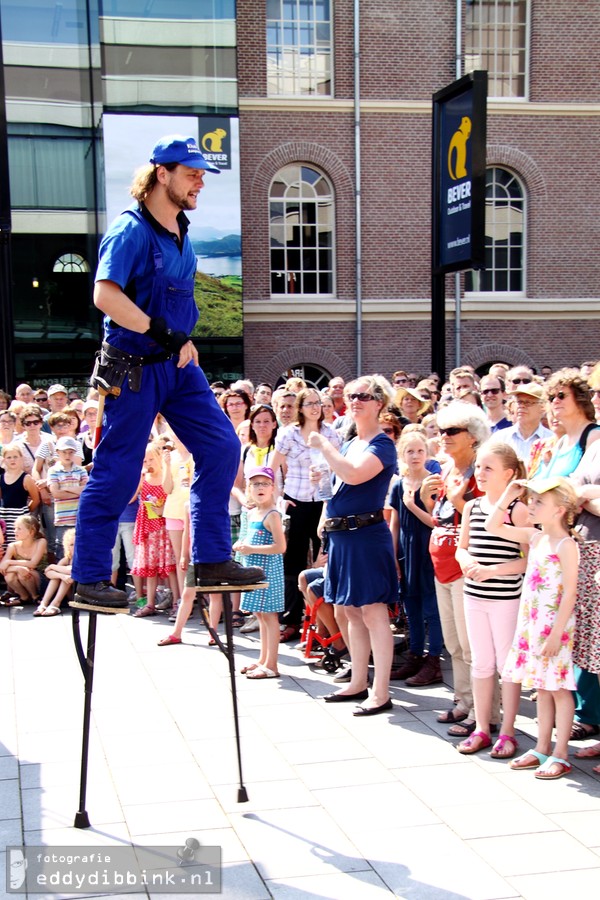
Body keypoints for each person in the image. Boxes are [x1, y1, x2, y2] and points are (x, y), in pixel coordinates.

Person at [71, 135, 263, 608]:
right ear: (162, 173)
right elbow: (106, 297)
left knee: (221, 447)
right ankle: (90, 577)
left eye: (201, 173)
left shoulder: (181, 228)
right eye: (192, 172)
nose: (201, 180)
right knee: (117, 472)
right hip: (134, 367)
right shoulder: (130, 229)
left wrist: (184, 336)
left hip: (177, 363)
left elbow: (177, 298)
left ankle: (213, 558)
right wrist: (164, 332)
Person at [309, 375, 398, 716]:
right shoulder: (350, 443)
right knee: (350, 611)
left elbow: (354, 475)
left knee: (373, 612)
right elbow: (339, 483)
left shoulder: (382, 445)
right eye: (351, 396)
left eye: (364, 395)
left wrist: (323, 446)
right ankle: (359, 680)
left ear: (379, 403)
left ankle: (381, 690)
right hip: (343, 535)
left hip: (365, 536)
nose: (355, 400)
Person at [486, 476, 580, 780]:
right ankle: (542, 747)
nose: (531, 505)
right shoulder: (536, 537)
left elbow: (570, 592)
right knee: (542, 686)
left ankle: (561, 753)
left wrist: (556, 633)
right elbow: (493, 527)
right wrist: (508, 495)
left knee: (559, 688)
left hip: (555, 627)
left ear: (559, 510)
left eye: (539, 502)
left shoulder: (566, 545)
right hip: (533, 625)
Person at [420, 402, 494, 737]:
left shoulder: (481, 471)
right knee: (454, 643)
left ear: (473, 437)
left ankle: (485, 712)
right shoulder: (449, 469)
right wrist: (425, 499)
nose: (444, 436)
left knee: (472, 644)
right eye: (441, 430)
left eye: (452, 431)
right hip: (442, 567)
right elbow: (442, 518)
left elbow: (486, 521)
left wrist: (460, 500)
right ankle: (464, 701)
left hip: (468, 568)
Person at [455, 442, 529, 757]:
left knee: (507, 666)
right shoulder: (471, 506)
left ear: (509, 474)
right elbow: (461, 546)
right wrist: (466, 562)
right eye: (479, 467)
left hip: (505, 599)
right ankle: (483, 728)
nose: (481, 474)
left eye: (489, 468)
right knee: (481, 663)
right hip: (474, 595)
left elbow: (530, 559)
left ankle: (508, 732)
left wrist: (493, 570)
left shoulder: (518, 510)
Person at [271, 387, 340, 642]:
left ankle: (323, 623)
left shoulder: (330, 434)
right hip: (295, 501)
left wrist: (327, 478)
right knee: (293, 559)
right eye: (309, 403)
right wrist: (279, 499)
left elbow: (339, 469)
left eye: (318, 403)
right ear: (300, 407)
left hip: (322, 503)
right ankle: (291, 619)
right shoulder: (289, 434)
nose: (314, 407)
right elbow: (273, 467)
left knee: (323, 558)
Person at [389, 431, 443, 685]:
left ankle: (434, 660)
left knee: (432, 609)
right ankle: (415, 656)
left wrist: (412, 505)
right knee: (412, 609)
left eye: (420, 450)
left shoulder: (433, 482)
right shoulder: (399, 484)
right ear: (402, 454)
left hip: (428, 549)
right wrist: (392, 555)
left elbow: (436, 523)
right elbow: (395, 523)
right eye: (410, 451)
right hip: (406, 552)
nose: (415, 456)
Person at [234, 466, 286, 679]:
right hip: (253, 572)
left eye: (264, 483)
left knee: (269, 616)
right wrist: (240, 546)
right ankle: (263, 659)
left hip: (268, 573)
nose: (260, 487)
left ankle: (272, 665)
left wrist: (251, 549)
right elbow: (244, 538)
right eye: (255, 484)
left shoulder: (273, 514)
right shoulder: (251, 513)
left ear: (273, 487)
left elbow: (280, 547)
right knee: (260, 615)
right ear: (249, 488)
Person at [131, 442, 178, 617]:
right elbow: (132, 497)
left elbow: (171, 495)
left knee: (169, 567)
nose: (148, 463)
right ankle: (150, 603)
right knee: (149, 567)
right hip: (147, 526)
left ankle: (176, 601)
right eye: (145, 460)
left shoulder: (166, 475)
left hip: (164, 527)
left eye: (151, 459)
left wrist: (162, 509)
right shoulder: (144, 478)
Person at [0, 514, 47, 607]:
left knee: (23, 573)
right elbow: (2, 567)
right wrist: (17, 568)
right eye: (15, 528)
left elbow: (33, 564)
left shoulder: (41, 542)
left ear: (31, 531)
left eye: (19, 529)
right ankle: (24, 597)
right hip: (23, 574)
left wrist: (10, 562)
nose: (15, 531)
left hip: (40, 577)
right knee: (9, 575)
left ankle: (35, 596)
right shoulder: (12, 546)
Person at [503, 382, 552, 464]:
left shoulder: (552, 440)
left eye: (528, 402)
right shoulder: (501, 438)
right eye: (519, 402)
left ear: (542, 407)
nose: (521, 406)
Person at [0, 444, 40, 543]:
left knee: (19, 543)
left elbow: (36, 499)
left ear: (21, 458)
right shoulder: (1, 478)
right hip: (5, 516)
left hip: (20, 516)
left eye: (15, 457)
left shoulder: (26, 478)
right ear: (4, 460)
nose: (12, 460)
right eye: (9, 457)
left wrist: (25, 511)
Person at [34, 527, 76, 616]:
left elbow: (71, 570)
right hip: (67, 591)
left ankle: (55, 604)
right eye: (71, 545)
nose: (74, 547)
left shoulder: (82, 559)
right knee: (57, 577)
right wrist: (61, 576)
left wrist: (52, 566)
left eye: (77, 544)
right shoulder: (66, 560)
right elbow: (48, 573)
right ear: (67, 546)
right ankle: (44, 603)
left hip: (78, 592)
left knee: (67, 576)